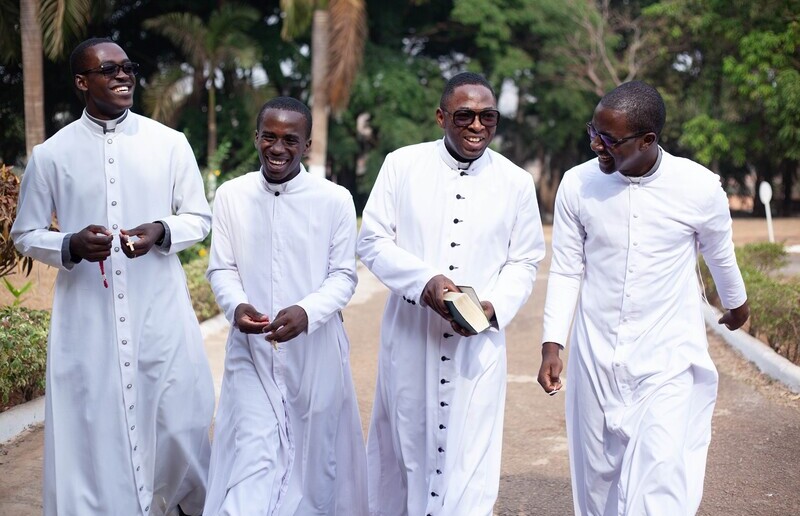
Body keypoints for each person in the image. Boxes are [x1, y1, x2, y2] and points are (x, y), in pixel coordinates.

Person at [11, 38, 214, 515]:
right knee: (95, 425)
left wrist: (161, 230)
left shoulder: (170, 143)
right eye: (109, 69)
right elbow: (25, 233)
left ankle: (180, 503)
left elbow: (199, 218)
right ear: (82, 82)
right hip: (89, 315)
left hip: (159, 308)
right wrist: (69, 244)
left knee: (180, 415)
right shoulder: (51, 154)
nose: (124, 76)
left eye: (128, 67)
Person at [538, 80, 750, 515]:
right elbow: (566, 269)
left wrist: (737, 303)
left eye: (609, 139)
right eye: (593, 132)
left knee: (661, 476)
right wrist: (551, 344)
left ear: (647, 140)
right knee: (598, 484)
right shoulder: (577, 185)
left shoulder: (698, 186)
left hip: (667, 356)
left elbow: (719, 252)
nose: (596, 145)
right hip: (595, 356)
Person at [357, 72, 546, 516]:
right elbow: (373, 241)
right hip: (411, 337)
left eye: (488, 117)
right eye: (465, 115)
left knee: (471, 456)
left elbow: (525, 260)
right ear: (442, 117)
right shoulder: (402, 165)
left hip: (477, 344)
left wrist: (493, 307)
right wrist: (424, 282)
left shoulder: (516, 181)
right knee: (404, 446)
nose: (477, 125)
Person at [203, 97, 368, 515]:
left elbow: (343, 275)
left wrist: (307, 312)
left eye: (290, 140)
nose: (278, 148)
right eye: (269, 137)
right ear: (256, 137)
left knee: (313, 467)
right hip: (252, 354)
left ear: (307, 145)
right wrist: (236, 306)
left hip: (316, 354)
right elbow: (221, 268)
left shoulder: (334, 199)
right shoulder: (231, 195)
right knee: (252, 456)